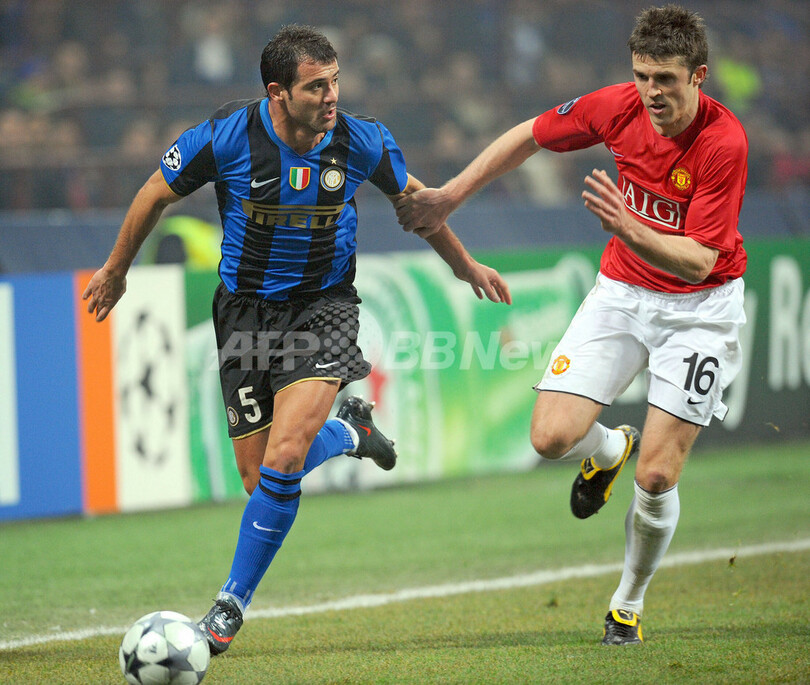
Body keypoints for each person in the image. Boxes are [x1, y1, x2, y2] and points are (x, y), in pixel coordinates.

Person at [83, 24, 511, 655]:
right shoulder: (226, 136)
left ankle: (229, 604)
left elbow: (419, 204)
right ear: (277, 93)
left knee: (284, 459)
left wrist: (465, 266)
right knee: (259, 478)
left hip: (323, 308)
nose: (331, 96)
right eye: (316, 87)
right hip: (244, 316)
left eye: (335, 81)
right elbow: (154, 193)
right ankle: (349, 433)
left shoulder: (362, 140)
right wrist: (117, 269)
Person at [396, 5, 747, 645]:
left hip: (700, 311)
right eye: (642, 75)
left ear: (699, 76)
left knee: (657, 477)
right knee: (551, 438)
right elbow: (529, 134)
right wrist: (450, 195)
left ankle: (627, 605)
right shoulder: (617, 107)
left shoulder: (723, 142)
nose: (652, 92)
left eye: (666, 79)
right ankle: (608, 450)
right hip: (622, 294)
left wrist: (630, 228)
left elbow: (700, 261)